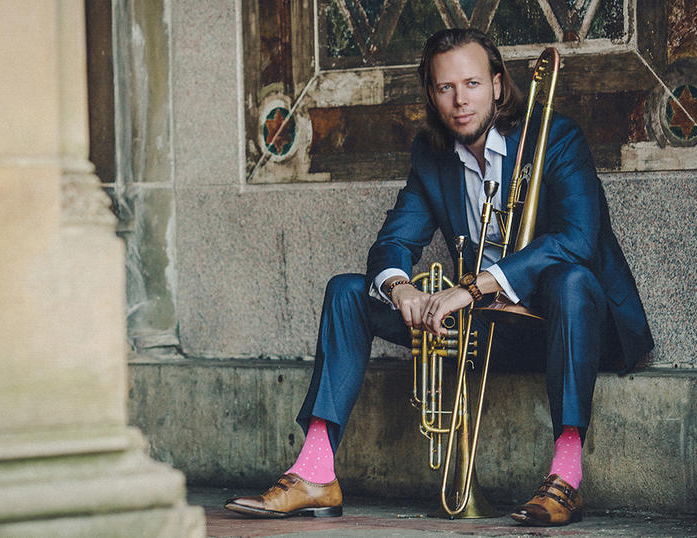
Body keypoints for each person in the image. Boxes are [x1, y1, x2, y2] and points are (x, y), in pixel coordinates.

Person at [224, 28, 653, 526]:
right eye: (446, 88)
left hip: (555, 327)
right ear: (432, 94)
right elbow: (394, 241)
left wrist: (470, 288)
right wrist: (400, 287)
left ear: (497, 85)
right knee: (346, 290)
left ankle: (566, 477)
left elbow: (577, 239)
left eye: (471, 84)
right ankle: (315, 470)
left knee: (573, 281)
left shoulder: (555, 137)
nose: (460, 100)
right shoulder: (431, 155)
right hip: (482, 329)